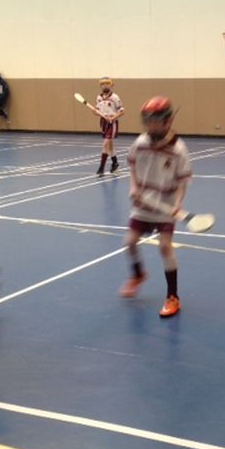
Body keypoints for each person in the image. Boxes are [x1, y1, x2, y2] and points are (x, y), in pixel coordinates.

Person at [119, 96, 191, 318]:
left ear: (168, 121)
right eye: (148, 121)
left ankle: (173, 297)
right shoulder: (140, 143)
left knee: (165, 247)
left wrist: (177, 205)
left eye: (155, 121)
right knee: (129, 242)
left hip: (166, 206)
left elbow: (182, 182)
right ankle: (138, 274)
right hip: (143, 204)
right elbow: (132, 166)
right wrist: (134, 187)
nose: (151, 126)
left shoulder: (178, 149)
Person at [94, 76, 125, 176]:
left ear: (111, 85)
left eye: (107, 84)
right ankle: (115, 163)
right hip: (103, 122)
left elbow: (122, 111)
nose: (105, 86)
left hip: (112, 123)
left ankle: (101, 168)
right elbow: (96, 111)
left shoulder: (114, 97)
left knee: (105, 144)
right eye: (103, 84)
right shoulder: (99, 98)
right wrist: (96, 112)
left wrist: (113, 118)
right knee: (110, 145)